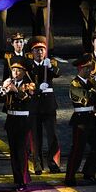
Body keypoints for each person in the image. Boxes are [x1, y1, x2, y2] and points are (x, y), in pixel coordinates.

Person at [63, 54, 96, 186]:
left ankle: (89, 173)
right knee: (77, 150)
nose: (90, 71)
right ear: (80, 69)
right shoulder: (75, 84)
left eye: (91, 68)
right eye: (87, 68)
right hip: (80, 120)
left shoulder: (91, 82)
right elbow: (87, 98)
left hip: (91, 119)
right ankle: (69, 177)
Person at [0, 57, 37, 192]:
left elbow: (28, 100)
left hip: (23, 121)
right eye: (13, 70)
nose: (14, 72)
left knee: (22, 152)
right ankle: (17, 179)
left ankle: (23, 180)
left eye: (18, 70)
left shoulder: (29, 84)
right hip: (11, 121)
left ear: (24, 71)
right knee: (13, 152)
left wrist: (15, 90)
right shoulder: (10, 83)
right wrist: (3, 89)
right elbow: (0, 99)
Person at [27, 38, 61, 173]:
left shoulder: (50, 64)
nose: (40, 52)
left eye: (42, 50)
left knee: (52, 136)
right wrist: (37, 89)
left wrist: (50, 67)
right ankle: (38, 165)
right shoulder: (29, 66)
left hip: (48, 105)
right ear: (32, 52)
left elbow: (58, 73)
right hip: (34, 105)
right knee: (36, 137)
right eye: (37, 50)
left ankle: (53, 163)